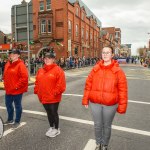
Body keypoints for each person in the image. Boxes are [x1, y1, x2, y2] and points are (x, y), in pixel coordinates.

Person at [82, 46, 128, 150]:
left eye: (108, 52)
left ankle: (105, 145)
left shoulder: (118, 71)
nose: (105, 54)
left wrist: (122, 106)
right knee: (97, 125)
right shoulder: (95, 69)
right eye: (103, 52)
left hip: (110, 105)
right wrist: (85, 99)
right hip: (95, 103)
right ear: (101, 54)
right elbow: (88, 85)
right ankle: (98, 143)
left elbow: (123, 90)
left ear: (112, 55)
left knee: (107, 126)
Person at [34, 49, 66, 138]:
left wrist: (54, 93)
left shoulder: (58, 70)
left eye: (49, 58)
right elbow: (37, 82)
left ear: (53, 60)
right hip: (43, 97)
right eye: (45, 58)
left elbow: (61, 85)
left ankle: (56, 129)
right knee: (48, 113)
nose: (47, 60)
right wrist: (37, 90)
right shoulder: (40, 70)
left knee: (53, 112)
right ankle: (51, 127)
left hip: (53, 97)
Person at [3, 49, 28, 127]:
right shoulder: (8, 63)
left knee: (17, 106)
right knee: (8, 105)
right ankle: (10, 119)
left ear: (18, 55)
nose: (12, 55)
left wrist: (16, 86)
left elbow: (24, 78)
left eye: (14, 54)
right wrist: (5, 82)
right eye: (11, 54)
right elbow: (5, 74)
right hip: (8, 89)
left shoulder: (20, 64)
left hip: (17, 90)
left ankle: (17, 121)